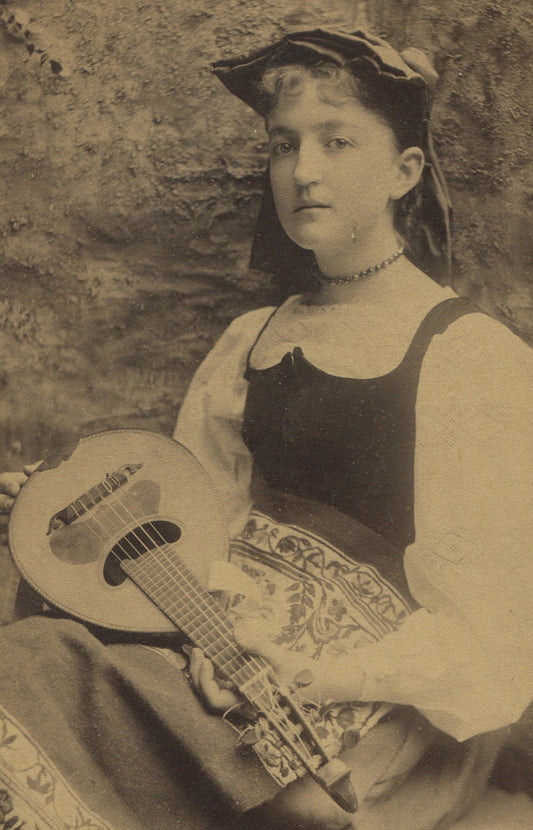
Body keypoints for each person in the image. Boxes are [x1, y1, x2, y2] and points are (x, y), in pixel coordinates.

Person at [0, 27, 531, 830]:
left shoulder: (467, 357)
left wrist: (313, 674)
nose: (303, 172)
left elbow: (495, 629)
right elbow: (201, 534)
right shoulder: (252, 339)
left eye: (336, 141)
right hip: (217, 651)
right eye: (284, 146)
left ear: (404, 172)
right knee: (40, 663)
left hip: (366, 707)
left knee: (34, 674)